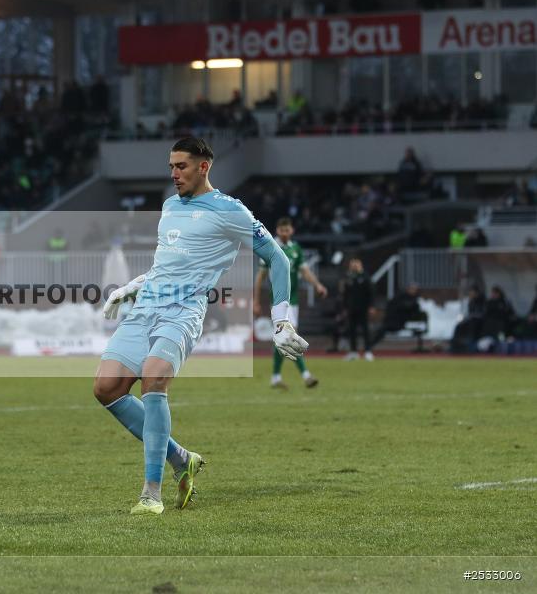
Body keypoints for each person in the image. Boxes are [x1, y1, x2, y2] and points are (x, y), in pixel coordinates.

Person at [94, 137, 307, 516]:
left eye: (181, 166)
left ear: (204, 166)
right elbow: (167, 264)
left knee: (154, 380)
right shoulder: (170, 206)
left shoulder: (231, 211)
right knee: (106, 388)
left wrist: (280, 321)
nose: (174, 174)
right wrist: (131, 287)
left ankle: (151, 492)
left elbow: (278, 259)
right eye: (171, 167)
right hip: (146, 307)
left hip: (183, 312)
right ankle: (181, 459)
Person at [253, 217, 328, 389]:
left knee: (284, 339)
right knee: (288, 337)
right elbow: (260, 277)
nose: (285, 233)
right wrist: (256, 301)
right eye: (282, 230)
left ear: (292, 231)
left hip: (293, 300)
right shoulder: (270, 247)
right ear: (277, 231)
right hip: (279, 300)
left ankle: (276, 377)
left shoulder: (296, 249)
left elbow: (305, 271)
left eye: (287, 230)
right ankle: (305, 375)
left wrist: (317, 285)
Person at [370, 283, 425, 350]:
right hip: (392, 321)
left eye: (414, 289)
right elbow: (391, 306)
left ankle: (369, 345)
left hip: (401, 322)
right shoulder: (400, 297)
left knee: (382, 329)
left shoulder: (415, 301)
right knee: (381, 330)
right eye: (411, 289)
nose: (412, 291)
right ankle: (369, 345)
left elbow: (414, 312)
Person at [342, 258, 374, 360]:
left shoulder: (365, 277)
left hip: (363, 308)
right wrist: (345, 307)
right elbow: (345, 294)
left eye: (356, 264)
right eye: (352, 264)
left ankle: (368, 351)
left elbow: (371, 293)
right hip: (351, 308)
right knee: (352, 330)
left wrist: (371, 306)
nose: (354, 266)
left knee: (365, 330)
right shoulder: (349, 277)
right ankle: (353, 352)